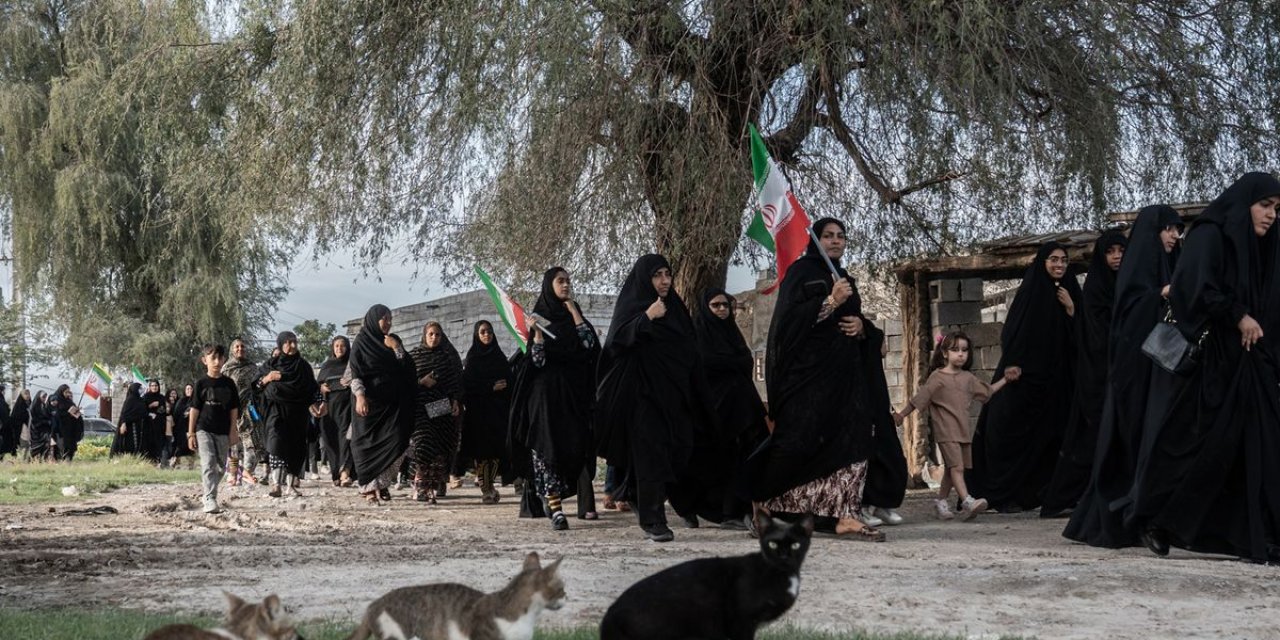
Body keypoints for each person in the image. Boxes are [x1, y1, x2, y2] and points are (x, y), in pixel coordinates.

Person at [1124, 172, 1280, 562]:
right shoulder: (1211, 235)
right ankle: (1156, 519)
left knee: (1261, 443)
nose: (1272, 215)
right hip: (1213, 361)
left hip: (1251, 360)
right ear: (1245, 203)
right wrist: (1237, 313)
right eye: (1265, 205)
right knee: (1195, 445)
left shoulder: (1266, 245)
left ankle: (1258, 532)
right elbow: (1193, 286)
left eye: (1277, 208)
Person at [746, 218, 882, 541]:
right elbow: (788, 326)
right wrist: (829, 301)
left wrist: (861, 328)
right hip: (806, 381)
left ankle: (846, 514)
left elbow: (855, 319)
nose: (835, 241)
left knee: (856, 436)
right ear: (816, 240)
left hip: (845, 379)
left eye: (840, 237)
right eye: (828, 236)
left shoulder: (845, 277)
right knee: (795, 443)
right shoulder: (800, 274)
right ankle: (763, 504)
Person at [1065, 205, 1183, 548]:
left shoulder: (1171, 262)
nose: (1175, 235)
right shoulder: (1139, 267)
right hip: (1134, 374)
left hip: (1161, 371)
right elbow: (1128, 314)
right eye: (1169, 229)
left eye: (1178, 229)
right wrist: (1159, 295)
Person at [596, 254, 724, 542]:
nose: (665, 281)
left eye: (667, 274)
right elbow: (616, 345)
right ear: (645, 278)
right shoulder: (632, 306)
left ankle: (635, 493)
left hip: (675, 397)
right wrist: (645, 319)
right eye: (657, 275)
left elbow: (689, 349)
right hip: (642, 398)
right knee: (651, 455)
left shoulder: (676, 308)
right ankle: (654, 520)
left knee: (679, 450)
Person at [966, 241, 1082, 513]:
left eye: (1063, 260)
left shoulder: (1071, 292)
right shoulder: (1031, 292)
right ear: (1043, 262)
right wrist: (1014, 364)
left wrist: (1071, 309)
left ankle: (1041, 494)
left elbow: (1085, 334)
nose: (1059, 265)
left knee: (1051, 439)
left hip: (1057, 383)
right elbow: (1014, 332)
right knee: (1006, 430)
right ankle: (999, 493)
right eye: (1053, 259)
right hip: (1024, 379)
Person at [1041, 230, 1127, 518]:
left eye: (1121, 250)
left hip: (1122, 376)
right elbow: (1093, 334)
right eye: (1110, 251)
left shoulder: (1129, 285)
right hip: (1097, 378)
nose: (1116, 256)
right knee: (1091, 439)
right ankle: (1062, 499)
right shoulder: (1096, 289)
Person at [894, 331, 1021, 521]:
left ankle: (941, 502)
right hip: (945, 430)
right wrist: (901, 415)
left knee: (951, 470)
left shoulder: (968, 378)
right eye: (955, 350)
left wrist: (1005, 379)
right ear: (945, 353)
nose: (960, 354)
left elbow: (988, 391)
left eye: (964, 350)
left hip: (962, 430)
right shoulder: (937, 377)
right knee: (957, 467)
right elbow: (920, 398)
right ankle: (968, 501)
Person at [510, 268, 602, 529]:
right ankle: (556, 509)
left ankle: (558, 502)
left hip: (572, 395)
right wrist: (537, 334)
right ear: (549, 285)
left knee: (573, 446)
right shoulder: (539, 316)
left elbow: (590, 347)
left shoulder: (575, 315)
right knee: (547, 448)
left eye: (568, 281)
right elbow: (537, 361)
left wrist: (574, 312)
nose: (565, 285)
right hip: (545, 397)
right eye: (560, 281)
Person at [692, 288, 767, 529]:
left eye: (725, 305)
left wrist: (730, 364)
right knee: (722, 461)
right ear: (706, 308)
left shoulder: (733, 334)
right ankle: (724, 511)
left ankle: (745, 509)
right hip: (718, 411)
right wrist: (732, 364)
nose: (723, 310)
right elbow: (705, 364)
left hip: (744, 410)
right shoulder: (700, 334)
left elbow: (746, 360)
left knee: (748, 458)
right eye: (716, 306)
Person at [346, 304, 416, 503]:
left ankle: (382, 484)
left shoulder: (392, 342)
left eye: (390, 319)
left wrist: (396, 348)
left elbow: (408, 370)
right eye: (384, 318)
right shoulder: (361, 343)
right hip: (369, 403)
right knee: (367, 446)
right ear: (373, 319)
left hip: (392, 405)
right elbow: (356, 373)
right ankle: (369, 487)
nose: (388, 322)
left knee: (398, 440)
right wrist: (360, 396)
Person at [256, 331, 320, 497]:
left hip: (297, 414)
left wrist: (318, 403)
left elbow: (313, 388)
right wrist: (267, 379)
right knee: (276, 444)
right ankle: (276, 484)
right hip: (275, 412)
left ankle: (290, 486)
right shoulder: (270, 365)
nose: (292, 346)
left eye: (294, 342)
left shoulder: (303, 366)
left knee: (295, 448)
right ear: (280, 344)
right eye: (288, 342)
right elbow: (255, 387)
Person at [408, 322, 464, 503]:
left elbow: (455, 382)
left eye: (437, 335)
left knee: (439, 447)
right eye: (431, 334)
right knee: (423, 445)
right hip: (419, 407)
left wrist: (455, 401)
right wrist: (420, 382)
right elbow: (404, 382)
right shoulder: (414, 356)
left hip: (441, 406)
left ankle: (434, 486)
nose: (434, 338)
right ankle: (420, 486)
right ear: (424, 335)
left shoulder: (447, 357)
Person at [459, 321, 512, 504]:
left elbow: (509, 379)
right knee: (482, 453)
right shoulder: (473, 358)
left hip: (498, 412)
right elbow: (468, 386)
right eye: (482, 332)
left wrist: (505, 386)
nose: (486, 335)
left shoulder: (499, 356)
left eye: (489, 331)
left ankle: (491, 486)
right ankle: (486, 488)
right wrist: (490, 387)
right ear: (477, 335)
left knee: (496, 451)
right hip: (479, 413)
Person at [186, 344, 241, 514]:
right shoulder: (201, 384)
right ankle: (210, 498)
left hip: (223, 430)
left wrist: (233, 430)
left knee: (220, 467)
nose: (216, 362)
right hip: (204, 429)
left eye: (220, 358)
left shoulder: (229, 384)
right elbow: (194, 409)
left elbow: (234, 409)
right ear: (205, 361)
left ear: (224, 360)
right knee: (208, 462)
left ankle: (207, 492)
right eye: (212, 358)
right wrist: (191, 433)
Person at [223, 338, 264, 485]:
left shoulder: (253, 368)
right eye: (237, 347)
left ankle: (248, 472)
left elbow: (259, 387)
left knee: (252, 443)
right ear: (232, 350)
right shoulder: (226, 369)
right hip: (232, 411)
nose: (240, 349)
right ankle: (233, 475)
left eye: (242, 347)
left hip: (250, 410)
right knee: (234, 446)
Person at [318, 336, 355, 487]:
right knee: (331, 440)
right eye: (337, 346)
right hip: (329, 410)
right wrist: (322, 388)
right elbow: (317, 385)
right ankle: (336, 475)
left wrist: (350, 382)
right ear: (333, 348)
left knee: (346, 439)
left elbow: (360, 381)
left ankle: (345, 473)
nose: (339, 348)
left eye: (343, 346)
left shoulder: (352, 365)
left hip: (347, 408)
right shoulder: (327, 366)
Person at [49, 385, 84, 462]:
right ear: (61, 392)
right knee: (62, 448)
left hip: (70, 430)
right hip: (60, 431)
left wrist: (76, 411)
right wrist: (68, 414)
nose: (68, 394)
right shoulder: (56, 401)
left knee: (70, 448)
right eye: (66, 392)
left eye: (69, 392)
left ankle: (68, 462)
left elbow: (75, 414)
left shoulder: (69, 401)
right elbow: (55, 414)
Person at [112, 382, 147, 457]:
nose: (141, 390)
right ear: (135, 389)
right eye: (139, 388)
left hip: (139, 425)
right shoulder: (130, 399)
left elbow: (143, 411)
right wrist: (123, 423)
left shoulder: (140, 399)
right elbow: (124, 413)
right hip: (131, 426)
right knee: (131, 444)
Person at [169, 384, 197, 469]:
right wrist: (185, 414)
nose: (189, 390)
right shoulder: (181, 401)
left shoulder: (196, 400)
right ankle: (175, 462)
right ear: (185, 391)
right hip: (181, 428)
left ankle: (191, 465)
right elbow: (176, 414)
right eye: (187, 389)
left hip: (193, 427)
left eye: (191, 388)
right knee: (181, 446)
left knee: (192, 446)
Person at [28, 390, 52, 461]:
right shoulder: (33, 406)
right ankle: (30, 459)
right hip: (36, 430)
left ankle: (44, 459)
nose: (44, 399)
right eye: (43, 397)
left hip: (45, 430)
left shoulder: (44, 406)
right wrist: (44, 421)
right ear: (38, 397)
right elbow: (34, 419)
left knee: (47, 444)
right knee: (37, 447)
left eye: (45, 397)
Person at [9, 389, 31, 462]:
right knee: (22, 445)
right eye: (25, 394)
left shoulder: (29, 405)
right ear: (21, 395)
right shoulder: (19, 406)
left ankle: (26, 460)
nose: (27, 395)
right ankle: (19, 461)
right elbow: (15, 418)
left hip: (28, 429)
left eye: (28, 394)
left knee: (28, 445)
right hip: (20, 429)